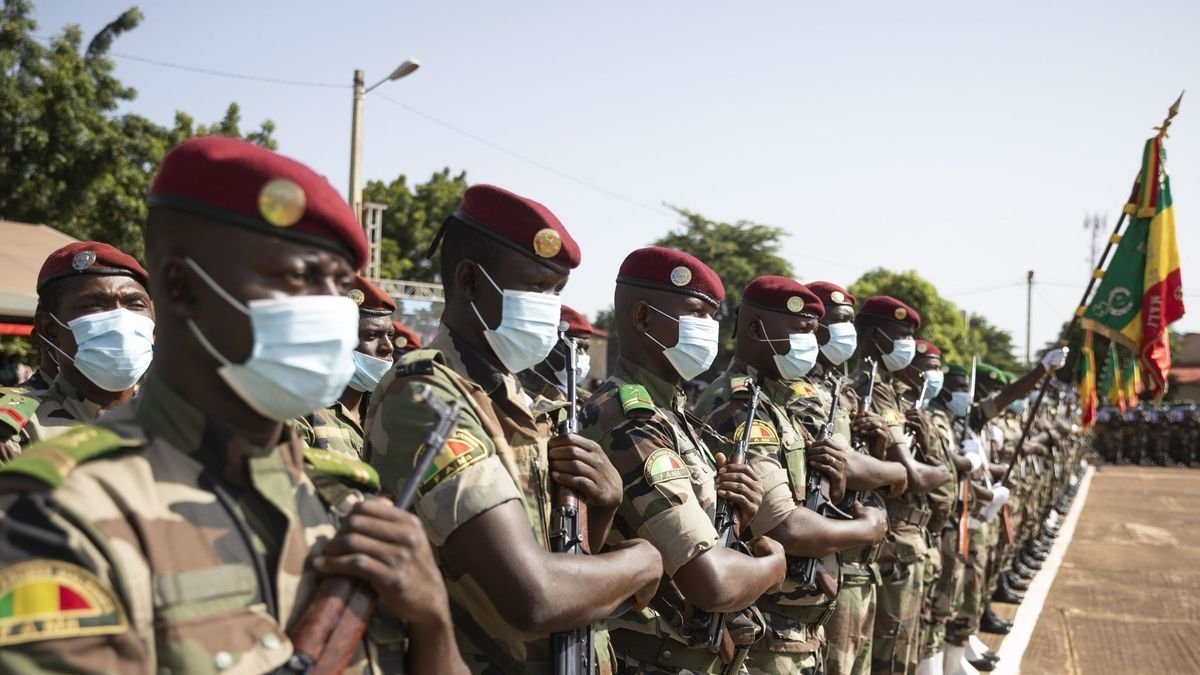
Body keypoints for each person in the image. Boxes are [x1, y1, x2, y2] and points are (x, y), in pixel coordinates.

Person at [0, 136, 467, 673]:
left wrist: (433, 622)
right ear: (181, 287)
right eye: (296, 276)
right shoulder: (58, 511)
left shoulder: (343, 495)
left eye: (336, 284)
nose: (328, 308)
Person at [365, 184, 664, 674]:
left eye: (557, 292)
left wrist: (603, 505)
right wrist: (642, 561)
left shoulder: (525, 403)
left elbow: (565, 553)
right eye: (536, 288)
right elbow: (533, 595)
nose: (549, 307)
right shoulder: (426, 398)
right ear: (469, 282)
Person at [579, 247, 788, 674]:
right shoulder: (629, 421)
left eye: (713, 318)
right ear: (642, 318)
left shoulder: (671, 416)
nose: (709, 331)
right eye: (696, 314)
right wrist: (773, 565)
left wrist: (738, 520)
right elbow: (711, 581)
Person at [695, 276, 888, 675]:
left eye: (814, 331)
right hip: (767, 630)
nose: (812, 341)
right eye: (801, 330)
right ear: (755, 329)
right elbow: (785, 526)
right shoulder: (737, 405)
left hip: (796, 629)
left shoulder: (780, 404)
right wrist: (868, 529)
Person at [801, 281, 907, 675]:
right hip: (826, 564)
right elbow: (847, 466)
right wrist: (896, 470)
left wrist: (877, 453)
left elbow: (857, 466)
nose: (849, 333)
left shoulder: (838, 391)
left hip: (856, 561)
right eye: (841, 321)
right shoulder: (802, 391)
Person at [848, 296, 950, 675]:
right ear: (876, 338)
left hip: (904, 542)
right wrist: (940, 468)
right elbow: (915, 476)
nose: (909, 344)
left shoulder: (892, 393)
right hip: (892, 544)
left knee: (901, 650)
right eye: (902, 336)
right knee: (888, 659)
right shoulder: (870, 392)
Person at [0, 241, 154, 462]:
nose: (122, 320)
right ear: (49, 330)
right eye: (94, 305)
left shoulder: (187, 423)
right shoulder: (17, 433)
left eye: (135, 304)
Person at [292, 273, 396, 458]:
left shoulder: (389, 412)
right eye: (371, 335)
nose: (388, 346)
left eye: (390, 335)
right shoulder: (300, 412)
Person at [520, 303, 596, 402]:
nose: (583, 355)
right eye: (576, 347)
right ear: (548, 345)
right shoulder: (525, 396)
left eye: (585, 349)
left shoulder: (588, 399)